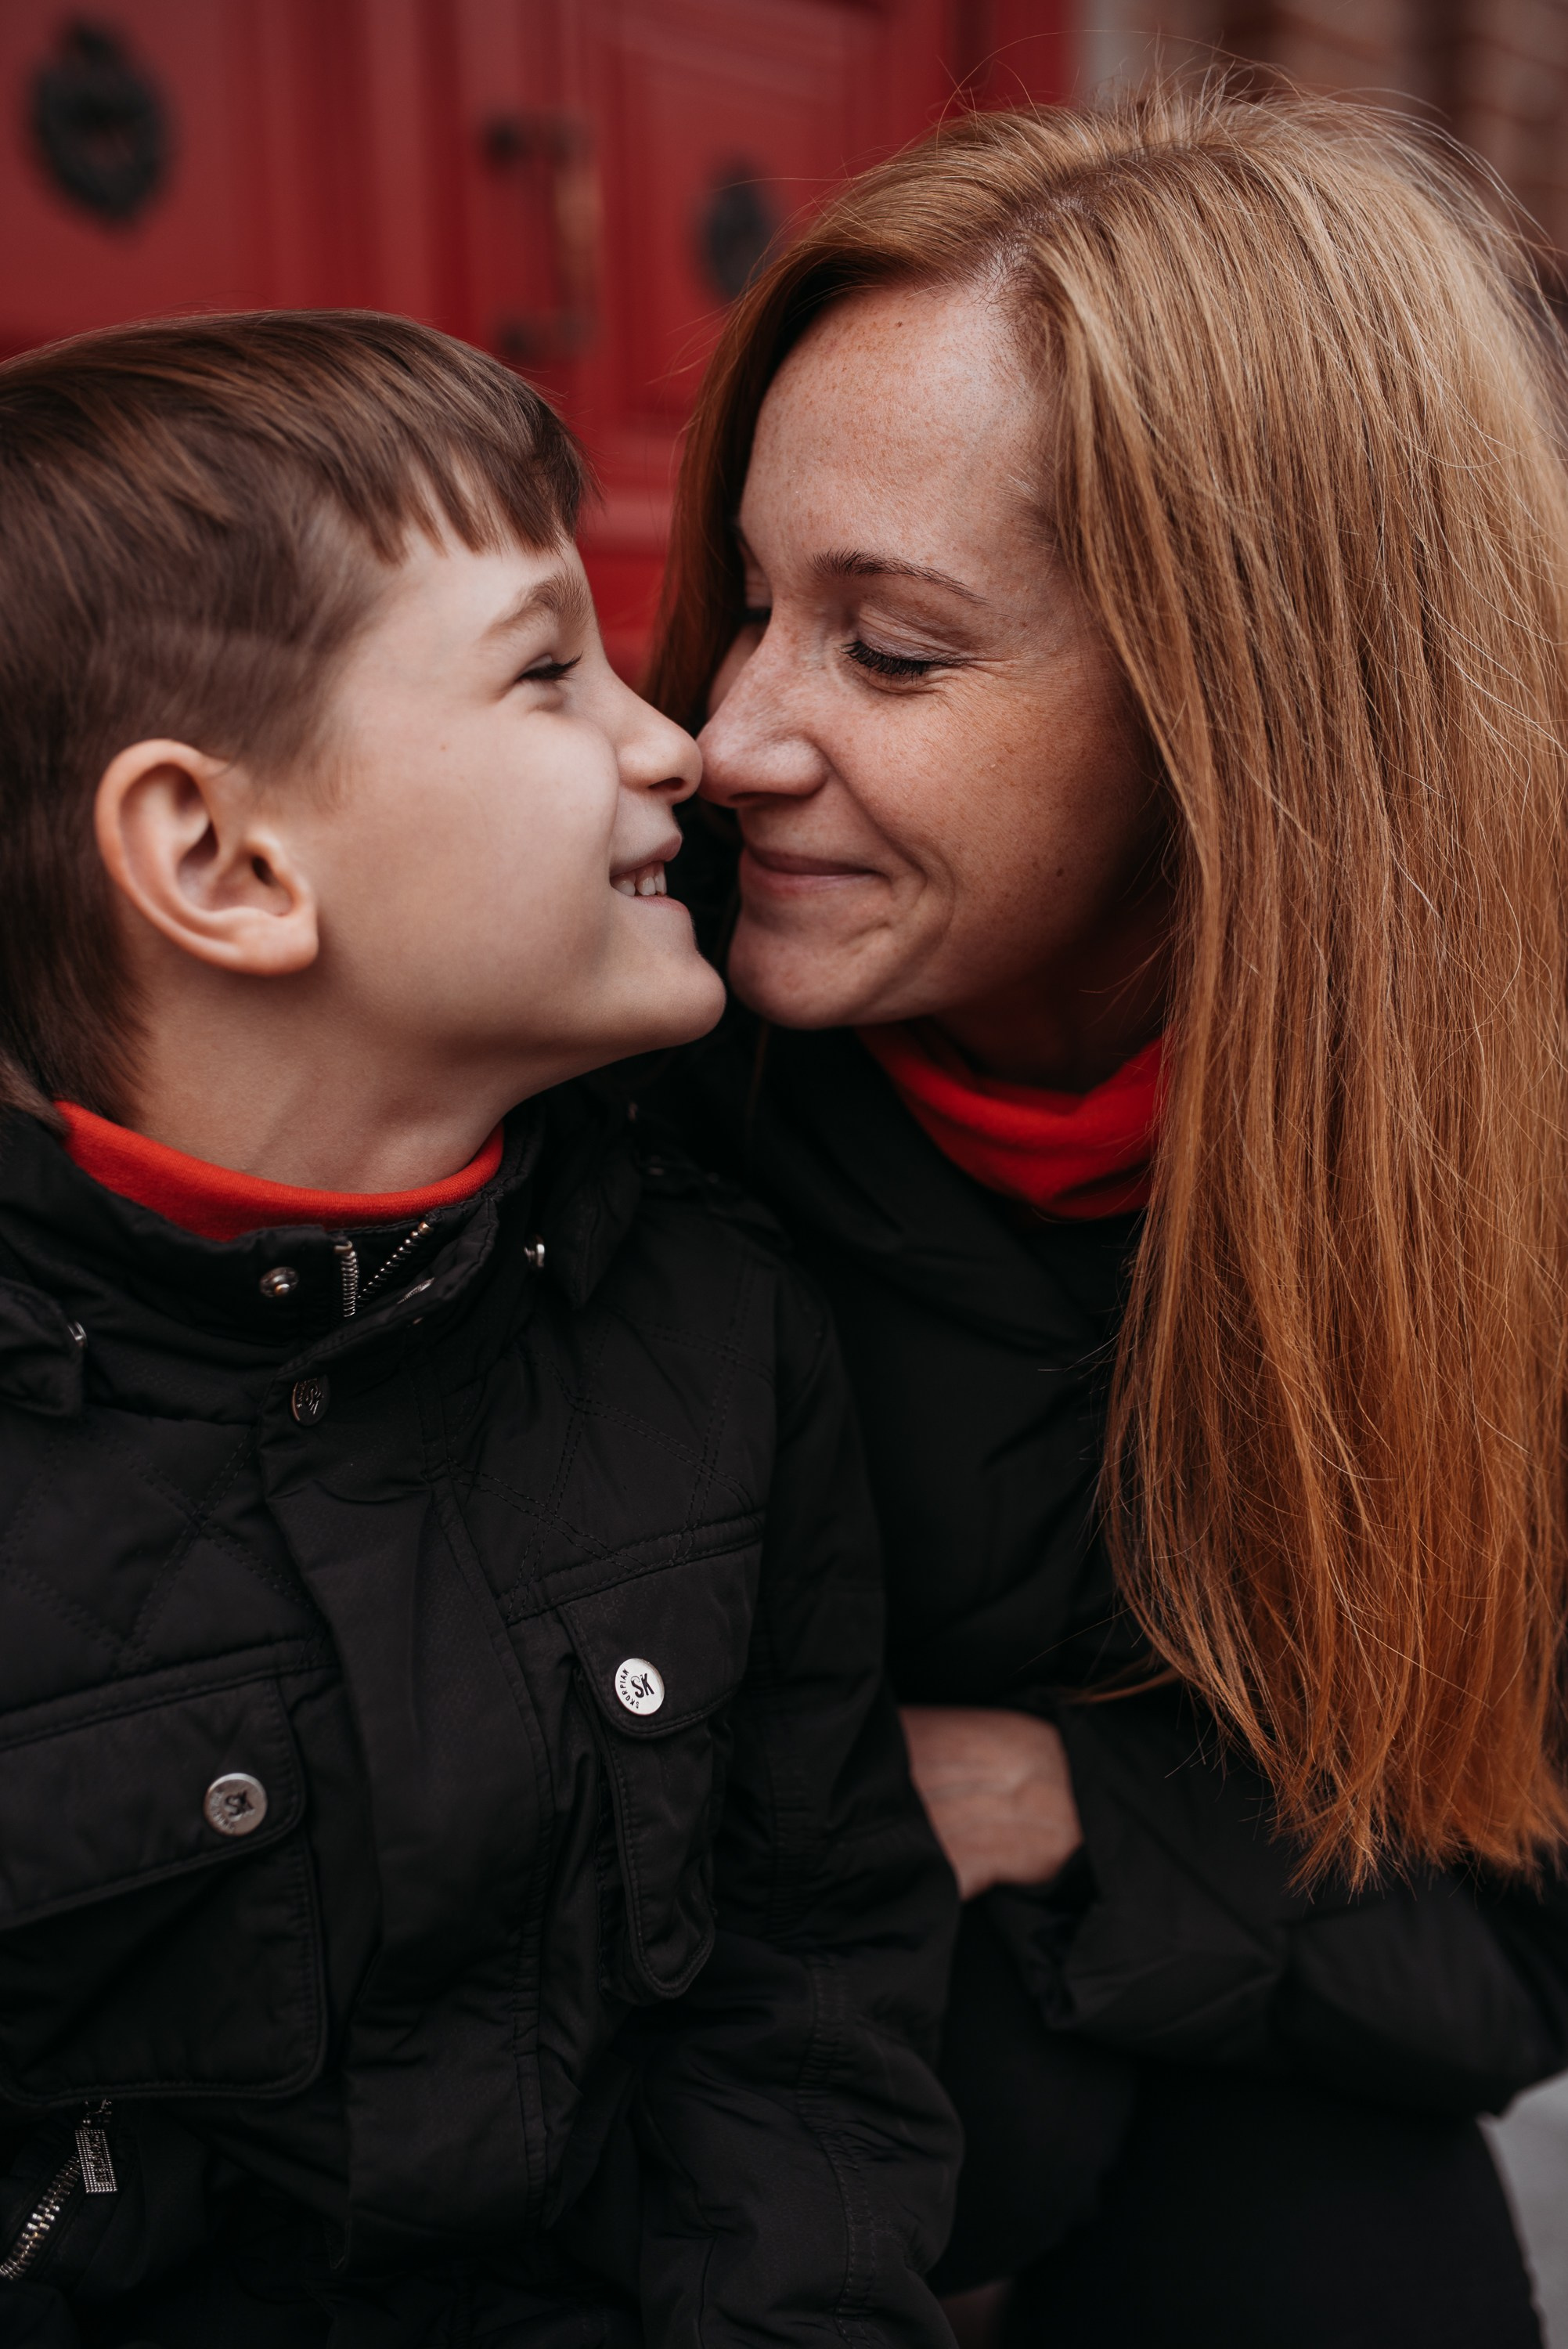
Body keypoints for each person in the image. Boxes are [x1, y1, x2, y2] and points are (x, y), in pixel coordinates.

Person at [651, 85, 1568, 2349]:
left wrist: (1060, 1802)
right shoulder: (622, 1077)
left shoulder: (1496, 1167)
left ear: (1247, 716)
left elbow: (1515, 1932)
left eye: (889, 650)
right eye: (749, 605)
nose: (728, 737)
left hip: (1196, 2061)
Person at [0, 312, 961, 2348]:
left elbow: (805, 1991)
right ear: (224, 860)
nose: (675, 744)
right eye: (546, 672)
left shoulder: (712, 1323)